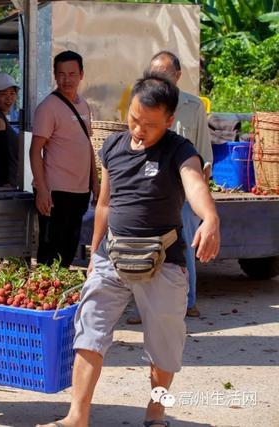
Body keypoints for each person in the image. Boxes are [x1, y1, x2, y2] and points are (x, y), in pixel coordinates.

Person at [37, 72, 220, 427]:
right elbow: (104, 204)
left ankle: (156, 411)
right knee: (89, 330)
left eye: (150, 125)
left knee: (163, 344)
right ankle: (77, 417)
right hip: (112, 256)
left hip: (164, 260)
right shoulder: (113, 147)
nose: (139, 129)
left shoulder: (179, 150)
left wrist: (210, 217)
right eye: (134, 119)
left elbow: (195, 184)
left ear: (169, 121)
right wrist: (93, 253)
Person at [127, 51, 213, 324]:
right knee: (146, 248)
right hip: (151, 190)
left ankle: (188, 301)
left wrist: (200, 189)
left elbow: (202, 152)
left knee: (184, 245)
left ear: (177, 75)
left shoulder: (193, 106)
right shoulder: (140, 103)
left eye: (164, 73)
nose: (159, 78)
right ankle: (143, 307)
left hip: (184, 191)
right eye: (154, 73)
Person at [30, 50, 99, 268]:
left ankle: (59, 295)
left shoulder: (84, 105)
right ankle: (43, 296)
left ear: (81, 75)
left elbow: (87, 144)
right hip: (55, 192)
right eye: (61, 74)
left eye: (72, 74)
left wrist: (95, 183)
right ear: (55, 75)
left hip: (79, 191)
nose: (66, 79)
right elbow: (35, 150)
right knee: (51, 249)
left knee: (69, 248)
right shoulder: (48, 107)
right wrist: (42, 189)